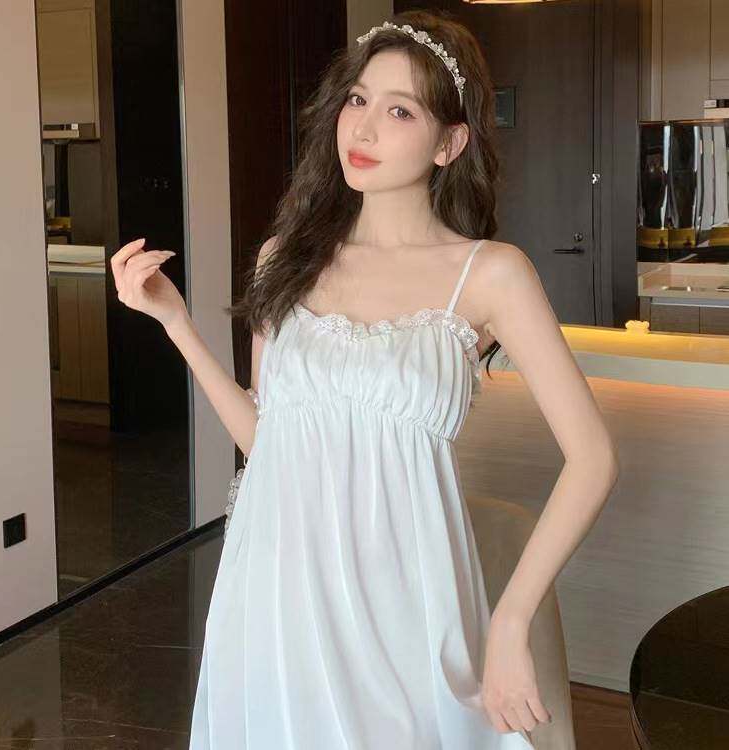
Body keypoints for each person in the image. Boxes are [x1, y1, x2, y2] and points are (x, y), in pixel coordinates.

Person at [110, 9, 619, 749]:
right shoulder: (285, 258)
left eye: (400, 110)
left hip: (405, 596)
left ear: (449, 144)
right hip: (276, 588)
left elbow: (593, 458)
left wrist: (511, 621)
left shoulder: (489, 275)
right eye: (357, 99)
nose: (364, 126)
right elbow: (267, 441)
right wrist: (177, 323)